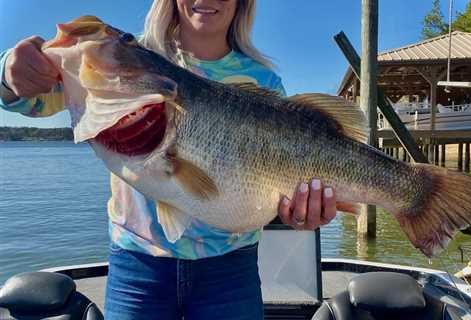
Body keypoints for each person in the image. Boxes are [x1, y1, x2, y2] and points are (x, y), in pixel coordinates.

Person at [0, 1, 338, 319]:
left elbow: (280, 181)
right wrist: (11, 74)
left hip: (230, 270)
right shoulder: (132, 58)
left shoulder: (263, 82)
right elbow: (29, 100)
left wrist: (302, 213)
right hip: (137, 265)